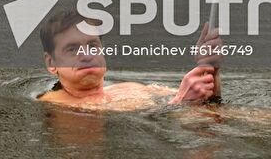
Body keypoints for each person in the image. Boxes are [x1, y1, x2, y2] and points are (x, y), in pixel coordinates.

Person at [38, 8, 221, 110]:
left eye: (93, 46)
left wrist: (209, 68)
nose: (86, 55)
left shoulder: (133, 89)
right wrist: (179, 103)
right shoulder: (54, 106)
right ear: (51, 63)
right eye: (72, 49)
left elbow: (206, 104)